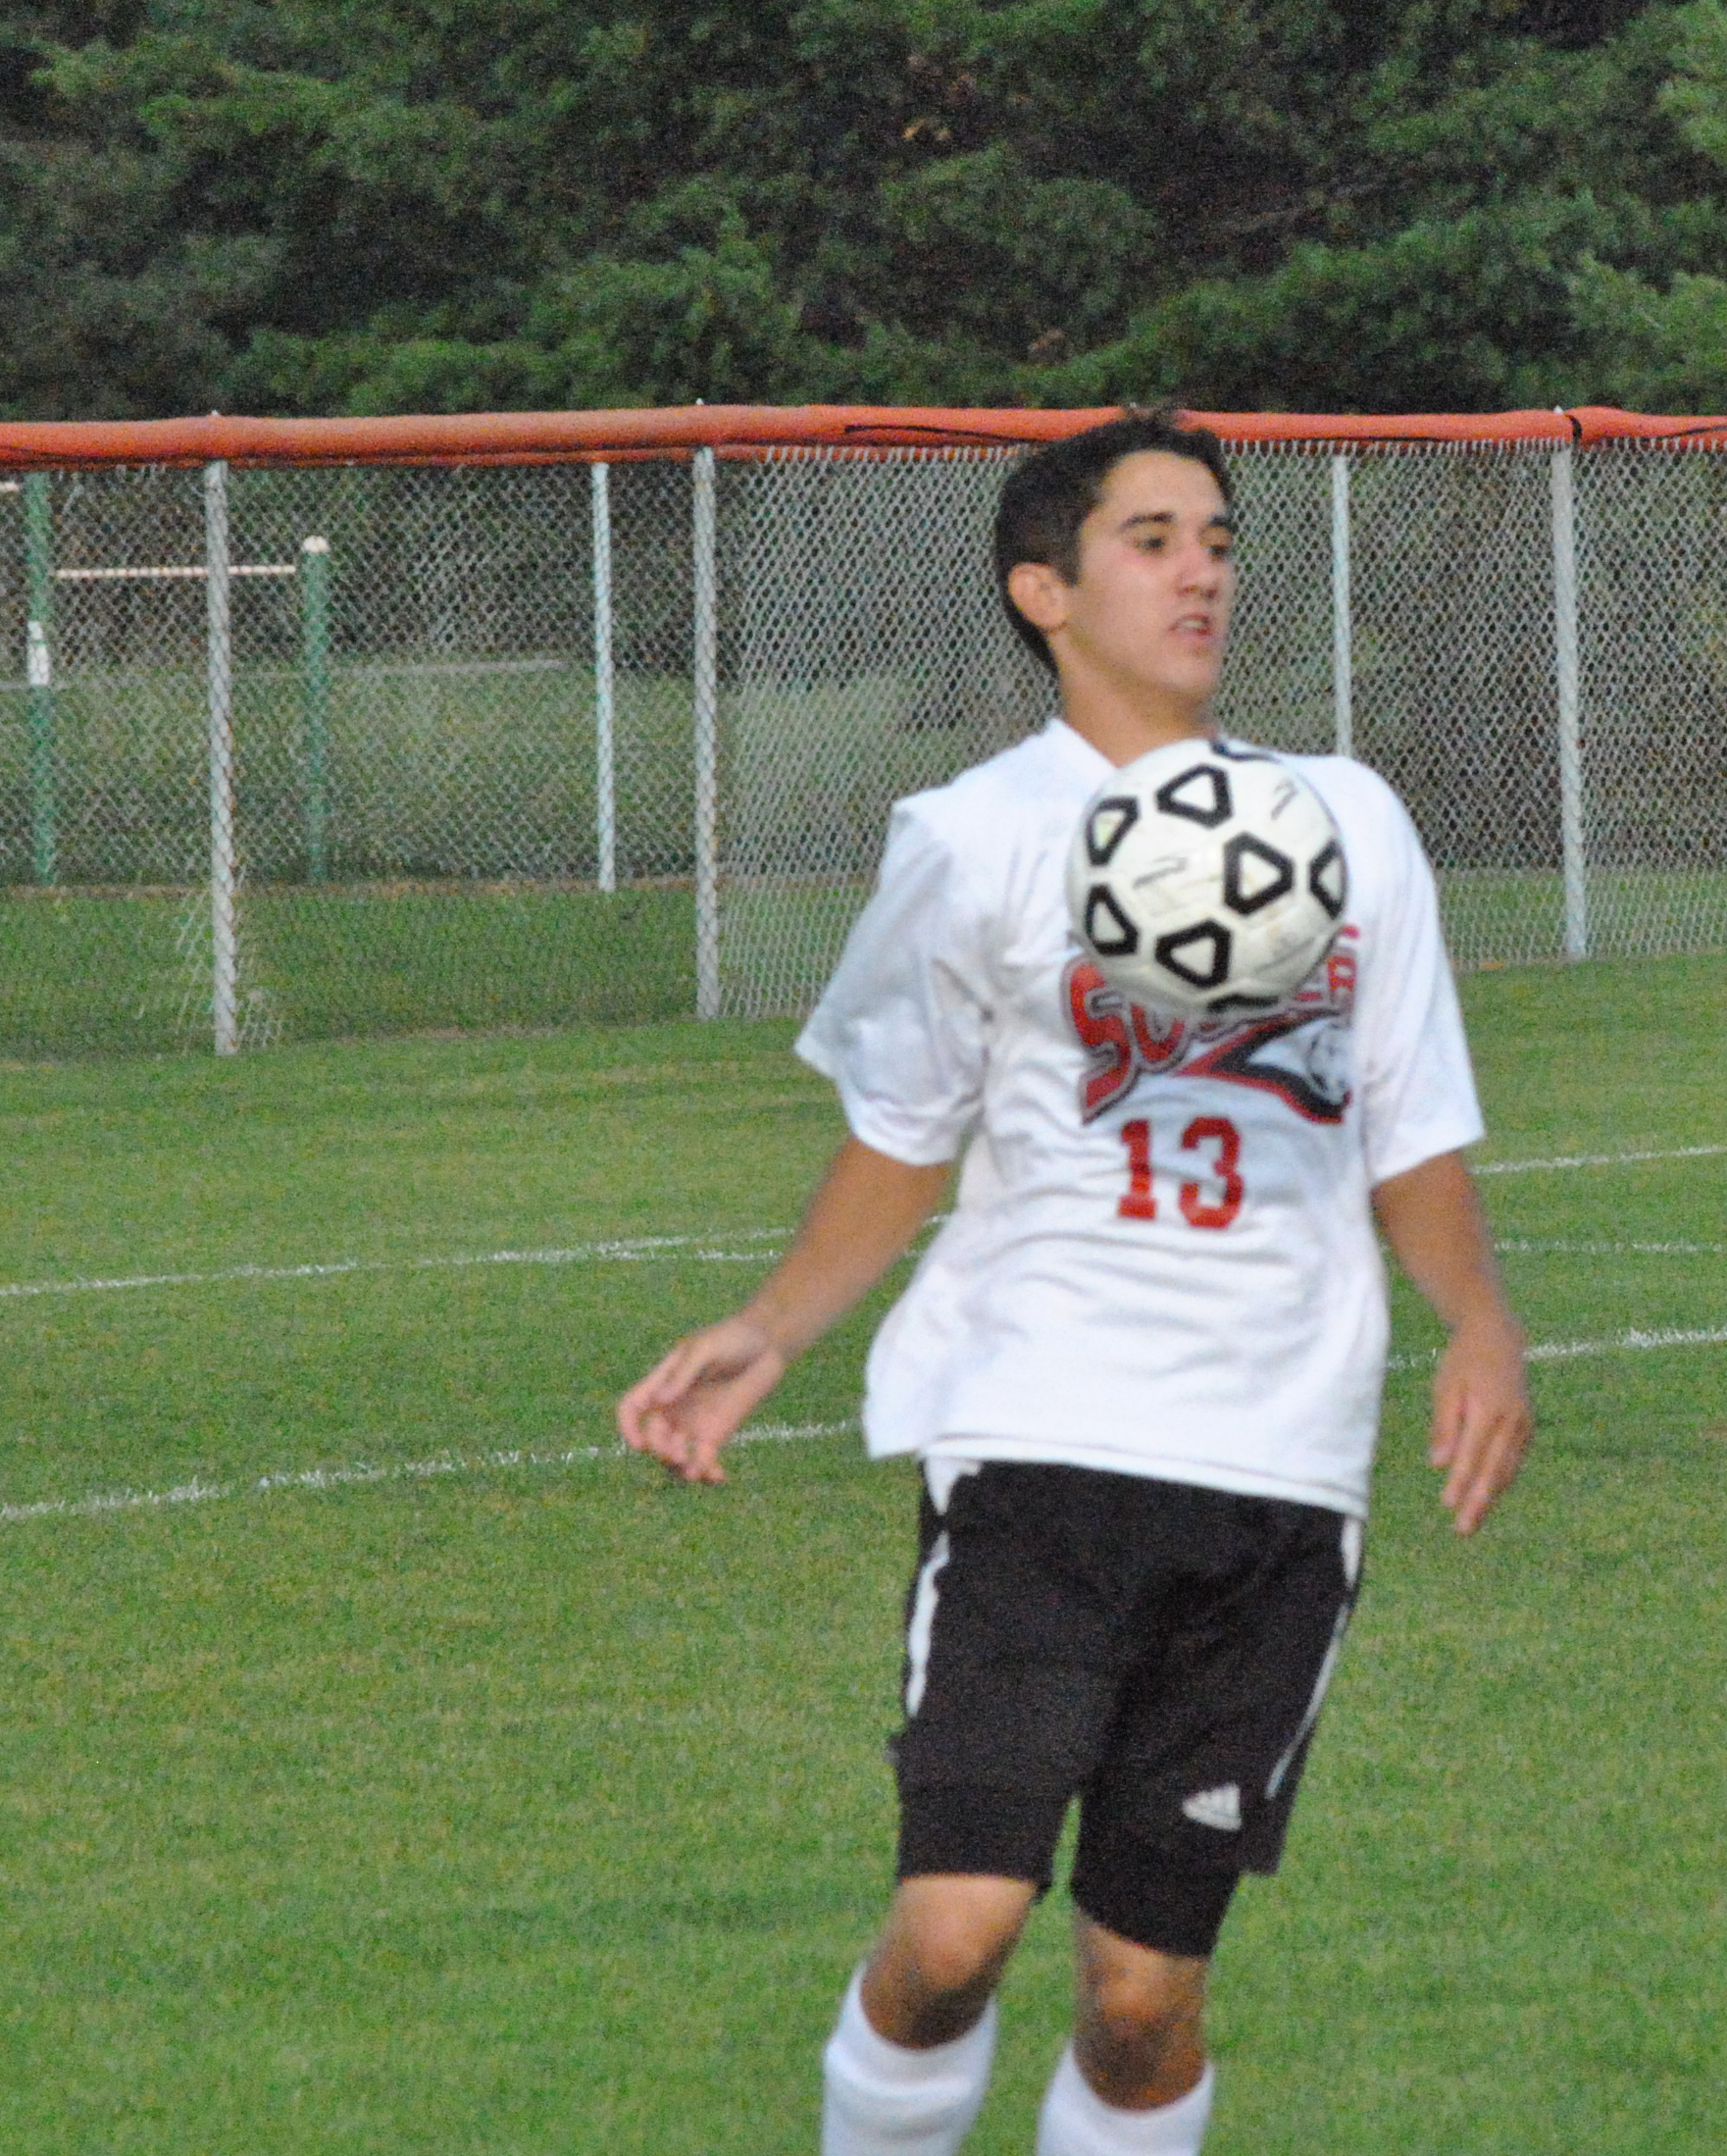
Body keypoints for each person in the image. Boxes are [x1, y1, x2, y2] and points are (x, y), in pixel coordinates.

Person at [617, 410, 1535, 2156]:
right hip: (1038, 1430)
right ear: (1043, 589)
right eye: (1150, 537)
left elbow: (1410, 1116)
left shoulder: (1344, 819)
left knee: (1139, 2001)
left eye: (1217, 534)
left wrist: (1477, 1319)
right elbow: (900, 1130)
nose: (1202, 567)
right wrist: (771, 1325)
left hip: (1278, 1455)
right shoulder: (972, 837)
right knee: (955, 1933)